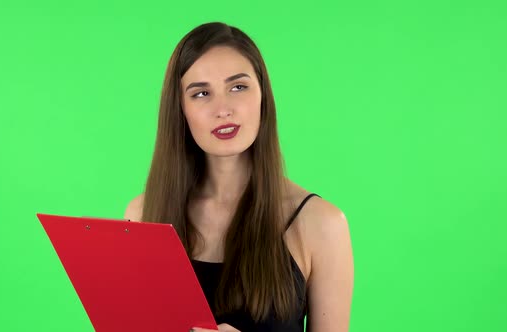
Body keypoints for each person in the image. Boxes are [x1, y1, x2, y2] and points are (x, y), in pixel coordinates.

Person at [124, 22, 354, 332]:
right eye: (201, 93)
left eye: (238, 87)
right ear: (180, 109)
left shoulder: (321, 224)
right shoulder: (141, 215)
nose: (223, 109)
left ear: (263, 97)